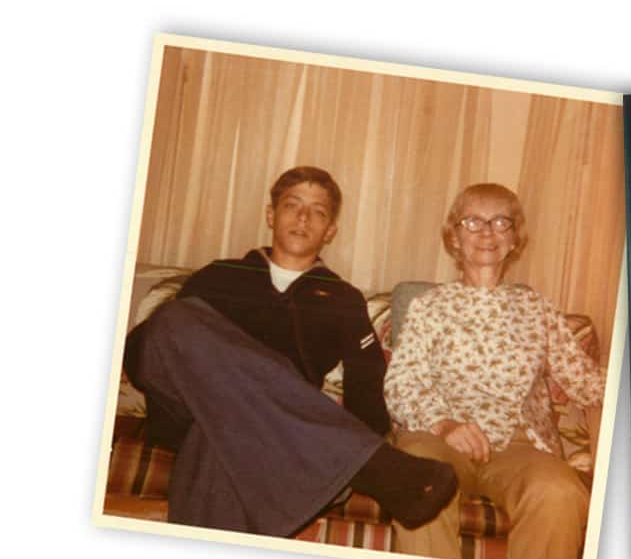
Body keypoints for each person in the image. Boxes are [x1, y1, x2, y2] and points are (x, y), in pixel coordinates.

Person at [122, 166, 458, 537]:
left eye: (318, 211)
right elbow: (147, 354)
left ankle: (353, 459)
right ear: (271, 215)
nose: (303, 217)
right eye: (292, 205)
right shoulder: (220, 274)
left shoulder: (341, 300)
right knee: (176, 318)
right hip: (184, 403)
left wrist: (371, 434)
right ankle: (366, 464)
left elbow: (367, 388)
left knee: (228, 432)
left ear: (330, 230)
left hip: (259, 431)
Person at [386, 183, 606, 559]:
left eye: (500, 221)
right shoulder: (428, 307)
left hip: (519, 445)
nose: (487, 232)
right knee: (417, 477)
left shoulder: (536, 308)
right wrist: (444, 423)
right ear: (454, 237)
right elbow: (402, 381)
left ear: (514, 238)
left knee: (559, 493)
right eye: (473, 222)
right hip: (440, 438)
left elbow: (584, 381)